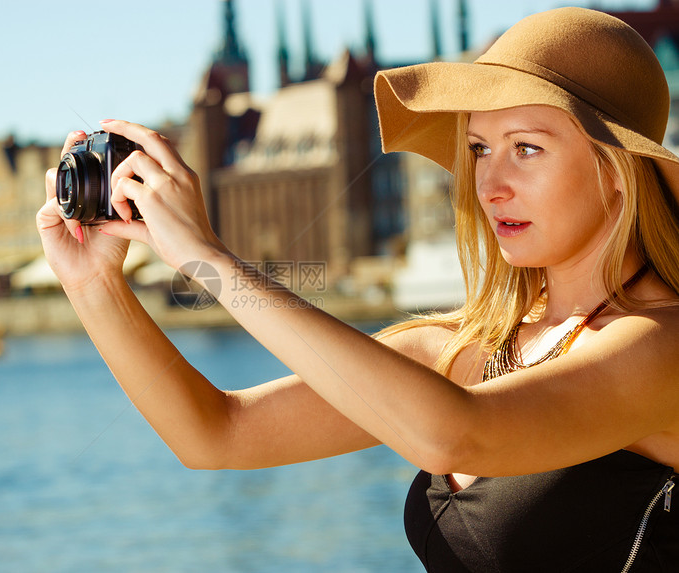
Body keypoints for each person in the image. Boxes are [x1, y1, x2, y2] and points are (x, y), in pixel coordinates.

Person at [37, 7, 678, 571]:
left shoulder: (662, 347)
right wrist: (95, 284)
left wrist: (205, 259)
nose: (490, 184)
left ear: (617, 171)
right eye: (480, 148)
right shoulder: (457, 351)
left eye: (527, 149)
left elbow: (458, 435)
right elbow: (217, 433)